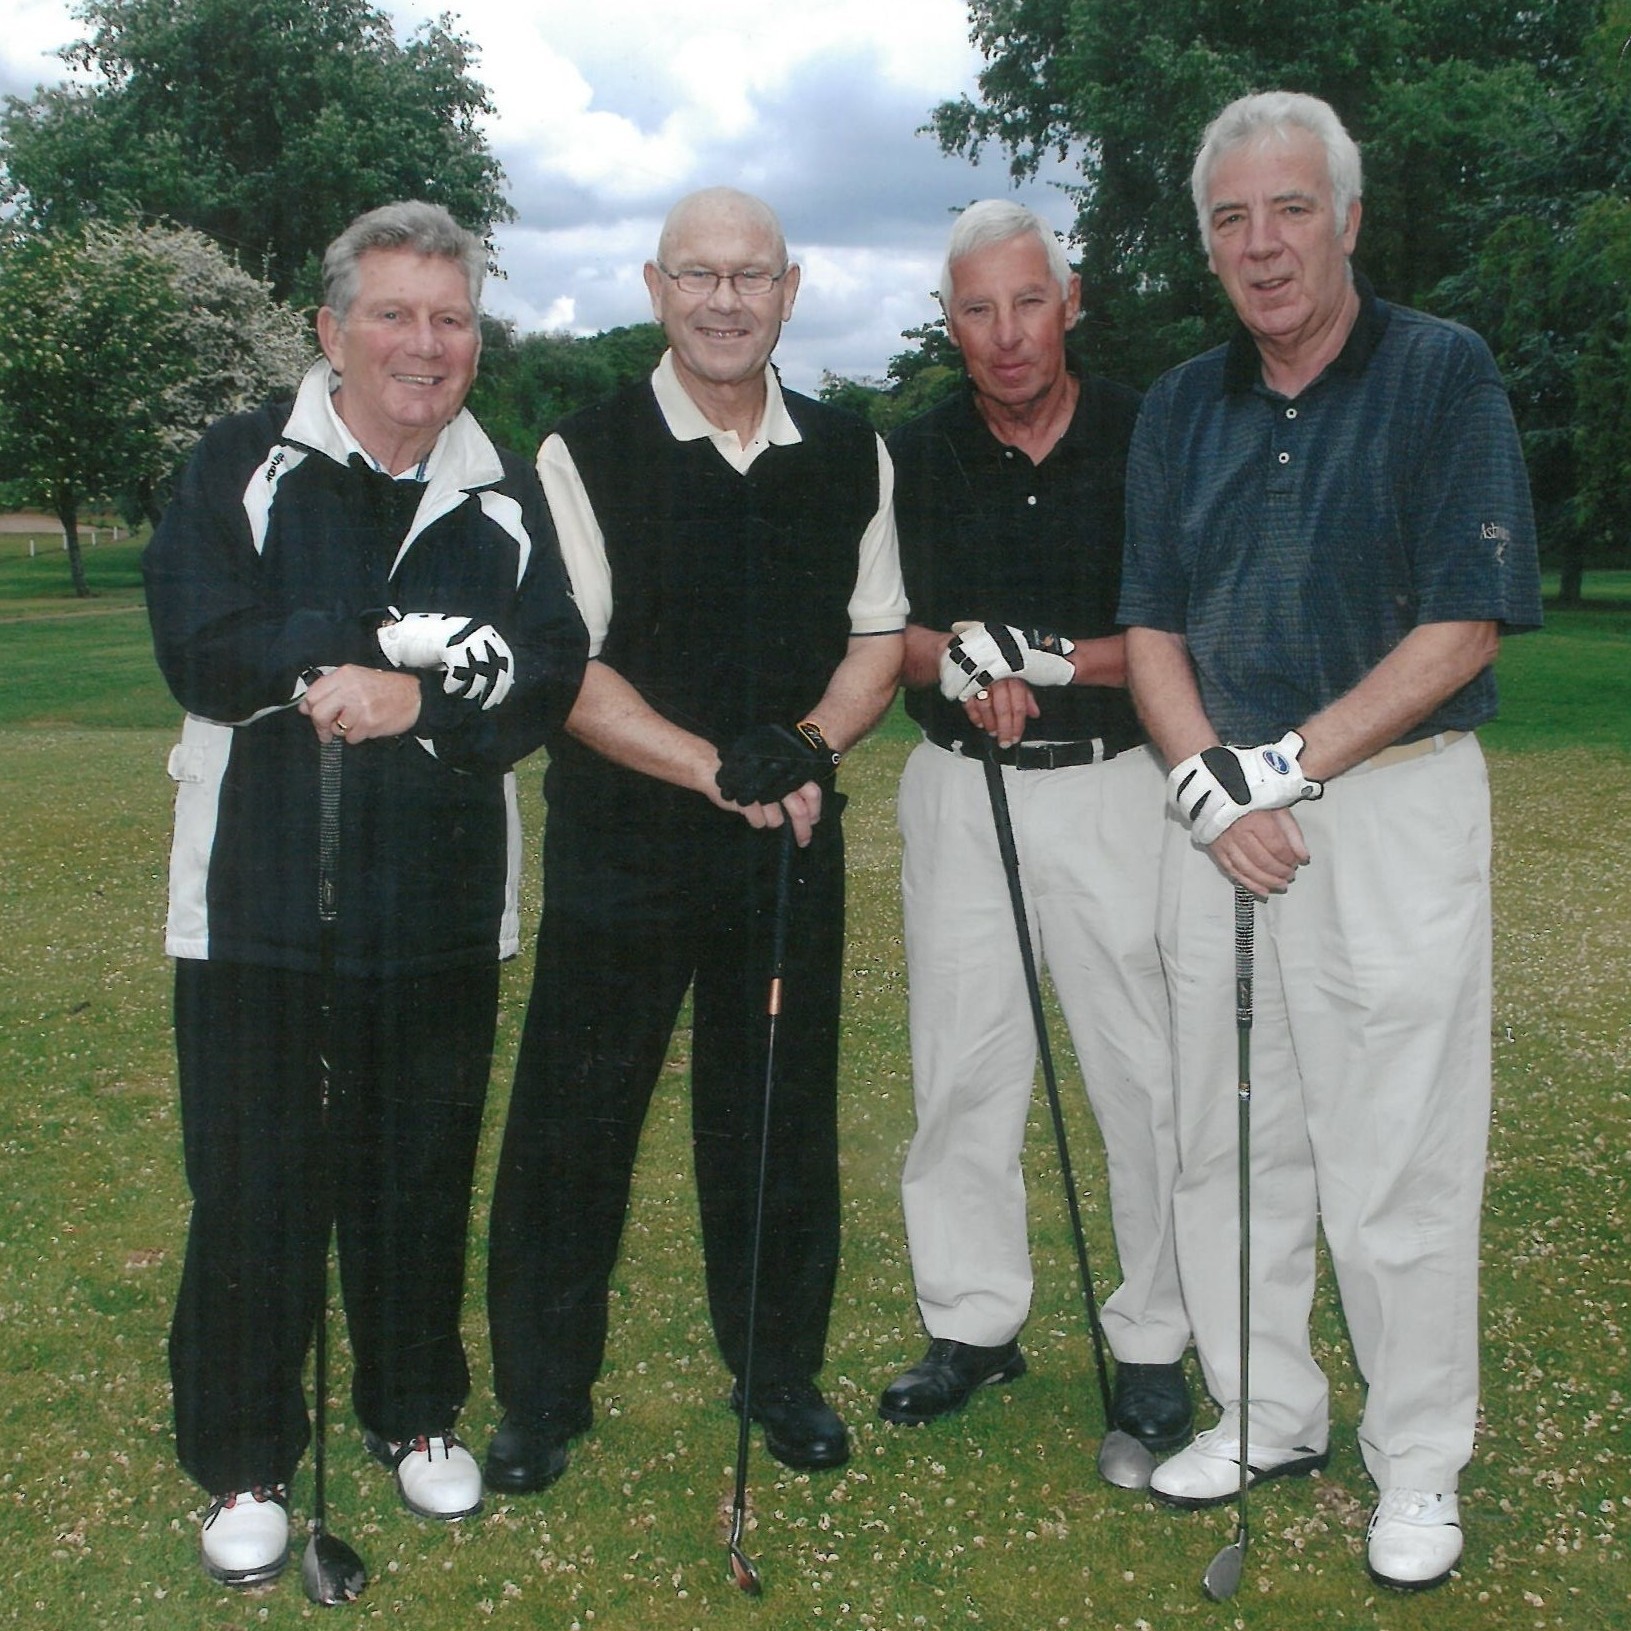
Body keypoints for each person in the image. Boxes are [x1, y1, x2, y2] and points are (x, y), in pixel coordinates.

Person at [1119, 93, 1542, 1590]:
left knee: (1394, 1158)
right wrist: (1203, 787)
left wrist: (1282, 767)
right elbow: (1149, 622)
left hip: (1382, 805)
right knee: (1225, 1133)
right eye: (1230, 219)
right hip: (1216, 819)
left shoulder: (1437, 371)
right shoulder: (1178, 403)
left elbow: (1462, 618)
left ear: (1345, 218)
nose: (1260, 243)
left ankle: (1415, 1459)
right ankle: (1264, 1409)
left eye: (1288, 208)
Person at [143, 201, 588, 1588]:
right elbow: (200, 643)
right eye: (391, 314)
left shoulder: (503, 491)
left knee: (415, 1174)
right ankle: (243, 1454)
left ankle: (412, 1412)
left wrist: (424, 694)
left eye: (449, 318)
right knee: (256, 1184)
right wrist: (351, 649)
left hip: (439, 908)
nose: (423, 343)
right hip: (258, 906)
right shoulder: (242, 463)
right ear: (332, 329)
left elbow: (552, 663)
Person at [484, 187, 906, 1491]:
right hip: (624, 849)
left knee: (774, 1119)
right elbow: (572, 664)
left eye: (749, 276)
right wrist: (715, 763)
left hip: (783, 845)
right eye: (697, 276)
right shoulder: (582, 448)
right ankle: (541, 1397)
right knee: (572, 1123)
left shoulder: (850, 451)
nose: (724, 300)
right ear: (656, 287)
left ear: (790, 288)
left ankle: (777, 1369)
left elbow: (877, 637)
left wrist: (815, 743)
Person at [877, 201, 1192, 1456]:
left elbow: (1182, 626)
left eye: (1026, 302)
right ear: (948, 321)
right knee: (961, 1069)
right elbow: (875, 630)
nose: (1004, 334)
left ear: (1069, 301)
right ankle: (971, 1320)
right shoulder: (909, 455)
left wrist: (1050, 661)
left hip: (1120, 783)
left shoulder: (1148, 431)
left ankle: (1156, 1337)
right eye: (975, 309)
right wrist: (954, 659)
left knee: (1144, 1075)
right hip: (963, 792)